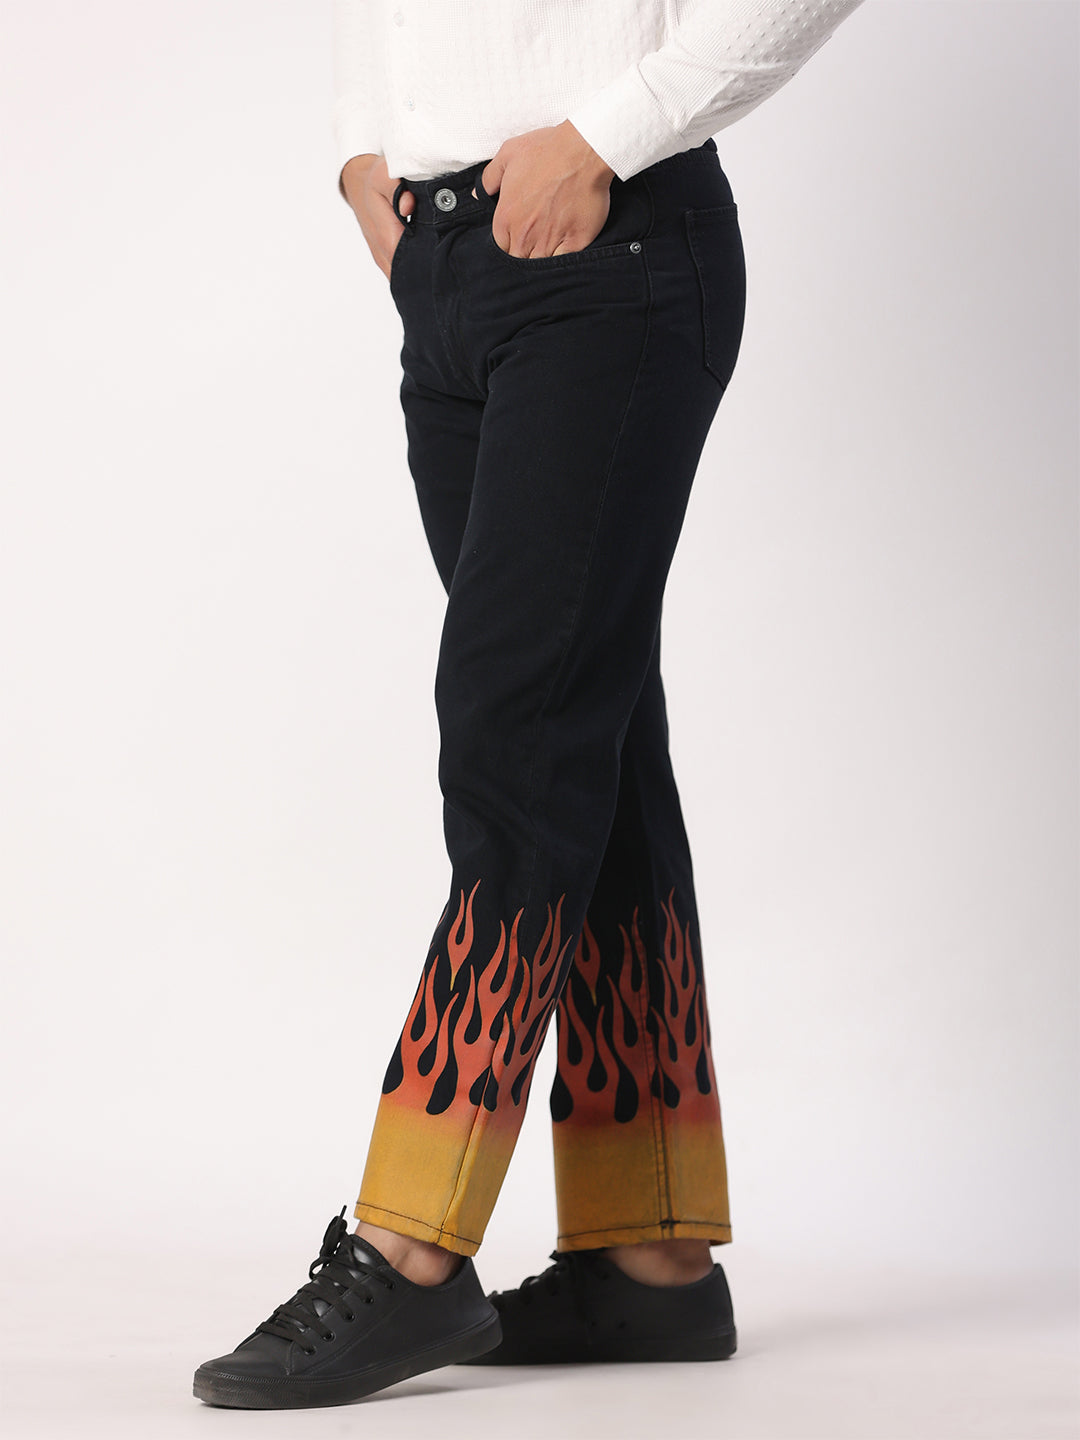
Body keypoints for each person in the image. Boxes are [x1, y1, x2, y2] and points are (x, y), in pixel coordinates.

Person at [194, 0, 867, 1410]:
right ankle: (650, 1255)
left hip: (608, 246)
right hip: (446, 272)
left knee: (520, 738)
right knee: (586, 736)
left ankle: (411, 1243)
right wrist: (362, 153)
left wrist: (605, 136)